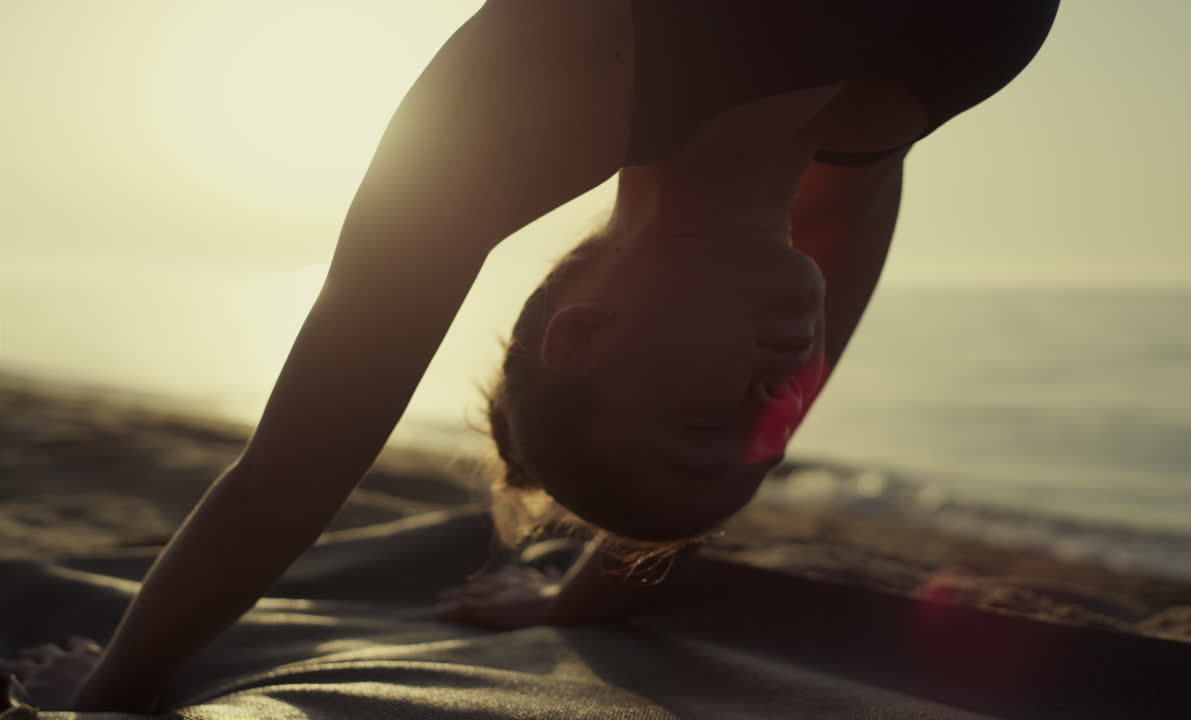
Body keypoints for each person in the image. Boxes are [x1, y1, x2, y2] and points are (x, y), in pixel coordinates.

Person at [0, 0, 1058, 712]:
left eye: (704, 421)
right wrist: (586, 595)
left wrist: (116, 689)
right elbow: (697, 495)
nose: (774, 399)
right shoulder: (874, 141)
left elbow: (290, 471)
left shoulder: (537, 90)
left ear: (582, 333)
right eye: (760, 441)